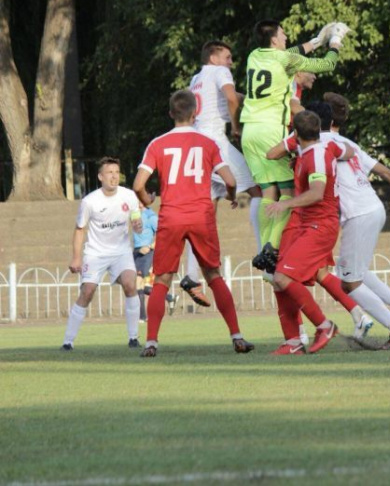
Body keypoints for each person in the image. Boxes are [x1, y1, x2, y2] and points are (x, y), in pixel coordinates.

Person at [273, 95, 390, 349]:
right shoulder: (343, 142)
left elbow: (273, 153)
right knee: (353, 271)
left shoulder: (315, 145)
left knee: (349, 282)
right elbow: (386, 171)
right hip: (373, 208)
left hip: (358, 214)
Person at [132, 89, 255, 357]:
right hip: (201, 215)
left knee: (163, 278)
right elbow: (231, 181)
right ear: (195, 112)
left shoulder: (158, 143)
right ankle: (237, 336)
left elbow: (138, 185)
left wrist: (148, 198)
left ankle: (151, 342)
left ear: (170, 114)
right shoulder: (207, 142)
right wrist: (231, 196)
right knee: (213, 275)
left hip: (172, 215)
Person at [240, 19, 349, 273]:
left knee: (268, 191)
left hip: (249, 132)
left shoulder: (254, 55)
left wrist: (316, 41)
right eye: (283, 33)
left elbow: (291, 52)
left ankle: (263, 248)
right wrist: (334, 42)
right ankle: (271, 245)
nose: (286, 36)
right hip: (269, 130)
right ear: (275, 40)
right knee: (288, 190)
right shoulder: (285, 60)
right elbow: (327, 64)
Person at [265, 110, 354, 355]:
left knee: (284, 278)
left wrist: (285, 203)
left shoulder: (315, 157)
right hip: (306, 224)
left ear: (295, 133)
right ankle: (293, 342)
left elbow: (316, 192)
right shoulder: (319, 150)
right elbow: (350, 152)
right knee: (277, 279)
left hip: (319, 225)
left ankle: (325, 325)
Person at [181, 40, 263, 305]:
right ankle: (266, 251)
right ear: (214, 58)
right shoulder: (220, 72)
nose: (231, 62)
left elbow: (231, 98)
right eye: (227, 57)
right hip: (216, 143)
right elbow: (229, 97)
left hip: (197, 143)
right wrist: (237, 128)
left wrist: (252, 100)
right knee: (257, 189)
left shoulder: (196, 79)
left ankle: (191, 276)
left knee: (206, 212)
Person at [61, 157, 143, 351]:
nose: (114, 176)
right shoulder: (90, 201)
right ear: (100, 176)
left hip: (121, 252)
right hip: (96, 254)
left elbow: (136, 222)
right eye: (109, 173)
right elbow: (80, 229)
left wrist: (138, 225)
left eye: (116, 172)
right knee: (87, 292)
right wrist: (76, 257)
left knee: (131, 284)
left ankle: (133, 338)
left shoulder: (129, 195)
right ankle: (68, 341)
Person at [132, 200, 178, 320]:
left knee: (139, 283)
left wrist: (150, 246)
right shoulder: (134, 214)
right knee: (140, 286)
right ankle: (169, 298)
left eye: (140, 199)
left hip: (147, 253)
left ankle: (142, 317)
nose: (138, 201)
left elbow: (163, 234)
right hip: (136, 252)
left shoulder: (151, 216)